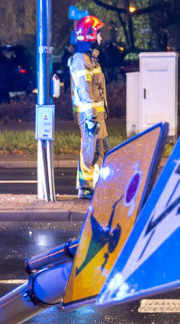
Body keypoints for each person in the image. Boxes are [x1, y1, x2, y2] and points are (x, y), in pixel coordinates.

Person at [69, 15, 108, 200]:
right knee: (89, 149)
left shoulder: (91, 58)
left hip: (96, 114)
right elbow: (85, 91)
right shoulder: (80, 59)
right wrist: (92, 116)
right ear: (91, 35)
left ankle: (97, 185)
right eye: (98, 33)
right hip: (89, 114)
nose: (101, 37)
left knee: (101, 149)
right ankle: (85, 187)